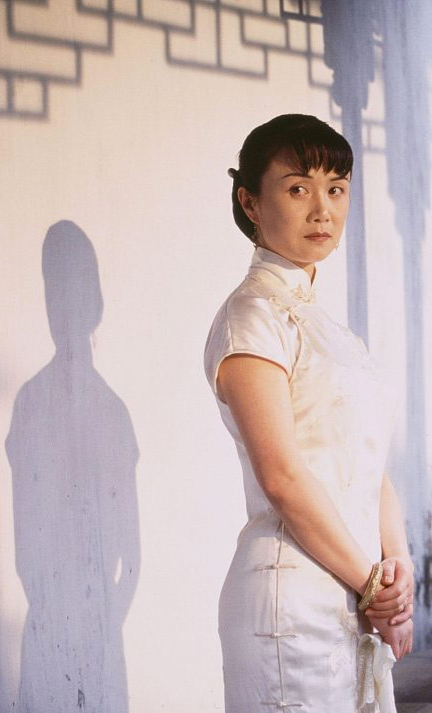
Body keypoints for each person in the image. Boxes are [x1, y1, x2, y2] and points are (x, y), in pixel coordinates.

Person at [203, 114, 414, 713]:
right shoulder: (252, 316)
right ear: (249, 201)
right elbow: (281, 476)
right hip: (289, 606)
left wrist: (397, 571)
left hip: (352, 595)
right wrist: (371, 586)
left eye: (336, 188)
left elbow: (369, 465)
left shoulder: (332, 330)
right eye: (298, 188)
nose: (322, 209)